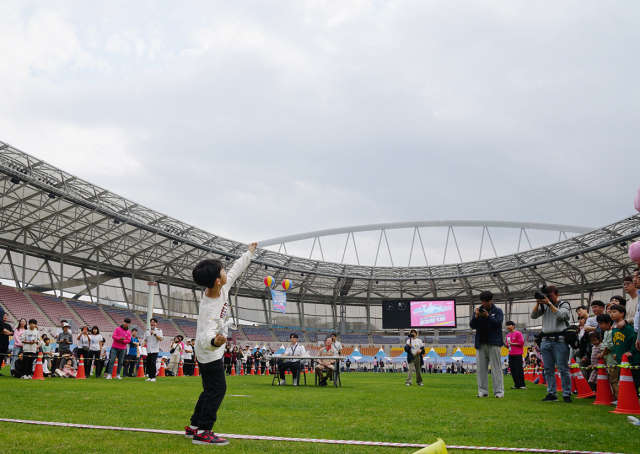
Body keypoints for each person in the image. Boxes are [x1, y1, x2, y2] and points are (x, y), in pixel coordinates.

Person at [186, 242, 256, 445]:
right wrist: (214, 342)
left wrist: (249, 252)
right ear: (218, 279)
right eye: (222, 270)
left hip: (211, 350)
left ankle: (193, 426)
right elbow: (203, 337)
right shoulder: (208, 308)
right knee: (217, 389)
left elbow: (237, 268)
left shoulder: (222, 285)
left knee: (210, 388)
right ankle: (203, 431)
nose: (227, 272)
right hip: (209, 352)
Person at [530, 286, 572, 403]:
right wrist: (538, 303)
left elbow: (562, 316)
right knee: (548, 369)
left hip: (560, 340)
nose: (549, 298)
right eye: (547, 295)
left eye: (551, 295)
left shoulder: (563, 304)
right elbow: (533, 316)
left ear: (557, 294)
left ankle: (566, 394)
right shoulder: (544, 306)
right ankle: (551, 393)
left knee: (563, 368)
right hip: (545, 340)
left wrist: (549, 304)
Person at [470, 291, 504, 398]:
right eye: (482, 301)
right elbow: (472, 325)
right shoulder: (478, 311)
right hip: (481, 343)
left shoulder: (497, 311)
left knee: (496, 368)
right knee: (481, 369)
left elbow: (497, 323)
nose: (484, 304)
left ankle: (498, 392)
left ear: (491, 300)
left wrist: (487, 316)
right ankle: (483, 391)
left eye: (486, 301)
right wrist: (476, 316)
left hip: (494, 343)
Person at [610, 304, 640, 397]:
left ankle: (633, 399)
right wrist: (615, 353)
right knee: (623, 381)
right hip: (621, 361)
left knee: (634, 382)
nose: (612, 314)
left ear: (622, 313)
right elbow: (614, 343)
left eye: (614, 312)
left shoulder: (628, 328)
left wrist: (631, 352)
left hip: (633, 361)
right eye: (610, 312)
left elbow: (634, 341)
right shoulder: (614, 329)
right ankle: (626, 399)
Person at [597, 313, 617, 402]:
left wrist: (602, 355)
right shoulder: (606, 332)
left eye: (601, 324)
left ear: (609, 323)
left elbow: (609, 346)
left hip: (613, 361)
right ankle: (615, 396)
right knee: (612, 379)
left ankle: (619, 397)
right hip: (609, 360)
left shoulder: (612, 331)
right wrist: (602, 354)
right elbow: (604, 345)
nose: (600, 326)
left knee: (614, 380)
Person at [505, 321, 526, 389]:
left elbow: (521, 343)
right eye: (507, 325)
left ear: (513, 326)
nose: (508, 327)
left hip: (517, 354)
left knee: (518, 369)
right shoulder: (508, 335)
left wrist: (512, 343)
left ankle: (522, 384)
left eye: (509, 325)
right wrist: (506, 345)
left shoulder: (518, 333)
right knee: (513, 369)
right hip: (511, 354)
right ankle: (516, 384)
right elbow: (509, 346)